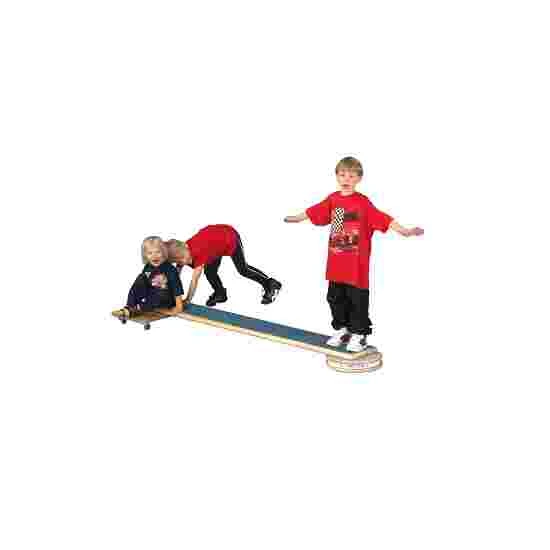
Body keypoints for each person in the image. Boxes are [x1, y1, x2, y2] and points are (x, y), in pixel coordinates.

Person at [284, 156, 424, 352]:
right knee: (334, 298)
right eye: (342, 175)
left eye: (351, 176)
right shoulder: (334, 200)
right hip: (336, 263)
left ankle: (359, 334)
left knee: (356, 300)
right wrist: (295, 218)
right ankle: (342, 329)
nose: (346, 179)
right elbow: (314, 211)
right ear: (336, 176)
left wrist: (405, 231)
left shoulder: (362, 203)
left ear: (359, 178)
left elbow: (383, 218)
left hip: (355, 266)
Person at [165, 224, 282, 307]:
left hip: (228, 237)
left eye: (184, 258)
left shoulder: (198, 253)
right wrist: (171, 293)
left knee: (243, 269)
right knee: (210, 272)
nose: (184, 261)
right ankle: (220, 293)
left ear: (185, 248)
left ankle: (269, 284)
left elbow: (194, 280)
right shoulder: (180, 250)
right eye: (179, 261)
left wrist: (187, 300)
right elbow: (176, 275)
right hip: (214, 244)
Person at [114, 236, 185, 320]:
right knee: (141, 278)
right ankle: (130, 306)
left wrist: (179, 307)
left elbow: (177, 288)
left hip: (166, 298)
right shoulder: (148, 267)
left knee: (159, 294)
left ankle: (136, 308)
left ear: (163, 252)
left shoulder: (170, 269)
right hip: (152, 295)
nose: (154, 256)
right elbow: (142, 285)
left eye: (157, 252)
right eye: (150, 253)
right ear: (145, 255)